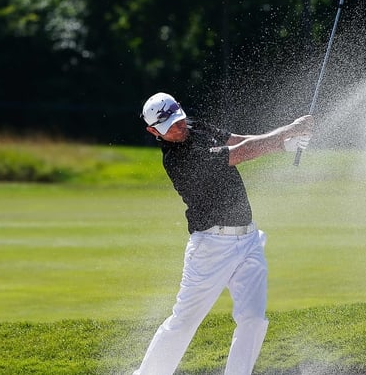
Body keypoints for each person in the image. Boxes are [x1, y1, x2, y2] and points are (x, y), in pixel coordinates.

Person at [134, 92, 314, 375]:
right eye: (171, 127)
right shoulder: (179, 159)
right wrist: (287, 133)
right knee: (183, 322)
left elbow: (237, 140)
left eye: (179, 120)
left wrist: (282, 143)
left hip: (249, 240)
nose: (179, 128)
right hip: (211, 247)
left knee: (254, 319)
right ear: (154, 131)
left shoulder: (196, 127)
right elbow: (240, 153)